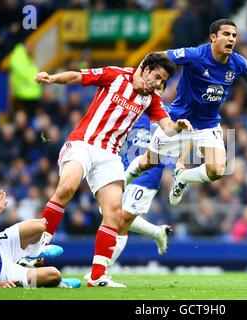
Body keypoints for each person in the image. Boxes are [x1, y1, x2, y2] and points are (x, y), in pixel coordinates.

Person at [34, 53, 193, 288]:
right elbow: (78, 76)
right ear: (145, 68)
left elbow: (167, 127)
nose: (158, 85)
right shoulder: (116, 75)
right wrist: (52, 78)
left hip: (110, 155)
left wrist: (178, 127)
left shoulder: (151, 100)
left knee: (114, 214)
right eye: (157, 78)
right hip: (84, 143)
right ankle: (36, 248)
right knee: (67, 188)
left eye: (162, 82)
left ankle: (97, 276)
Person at [125, 18, 247, 206]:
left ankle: (183, 178)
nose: (231, 39)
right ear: (213, 37)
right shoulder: (194, 55)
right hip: (178, 122)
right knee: (147, 163)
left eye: (234, 35)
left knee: (217, 170)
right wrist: (138, 75)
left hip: (207, 125)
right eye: (226, 34)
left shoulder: (237, 62)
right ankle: (122, 182)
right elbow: (157, 56)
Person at [0, 190, 80, 288]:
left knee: (40, 225)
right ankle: (55, 283)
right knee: (54, 275)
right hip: (1, 272)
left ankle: (32, 255)